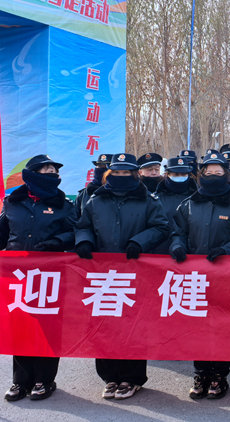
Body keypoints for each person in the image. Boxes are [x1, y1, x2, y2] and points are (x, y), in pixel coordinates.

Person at [74, 153, 171, 400]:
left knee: (133, 326)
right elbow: (83, 225)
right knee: (104, 325)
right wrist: (84, 241)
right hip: (102, 275)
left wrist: (140, 241)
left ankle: (132, 378)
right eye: (116, 172)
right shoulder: (96, 200)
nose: (121, 176)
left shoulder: (148, 200)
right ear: (109, 174)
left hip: (135, 273)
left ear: (135, 174)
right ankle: (110, 377)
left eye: (126, 172)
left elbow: (161, 227)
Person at [169, 152, 230, 400]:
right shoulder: (187, 205)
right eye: (209, 172)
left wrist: (227, 250)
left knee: (222, 326)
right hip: (195, 278)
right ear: (201, 174)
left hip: (225, 276)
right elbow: (178, 232)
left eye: (219, 173)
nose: (214, 176)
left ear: (226, 176)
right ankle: (200, 373)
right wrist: (177, 246)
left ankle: (219, 375)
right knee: (197, 327)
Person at [0, 155, 76, 402]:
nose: (52, 173)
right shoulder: (13, 202)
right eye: (47, 169)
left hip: (50, 276)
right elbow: (2, 233)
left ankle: (44, 380)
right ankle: (20, 381)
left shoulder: (63, 204)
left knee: (46, 328)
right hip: (18, 275)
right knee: (20, 328)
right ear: (32, 174)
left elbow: (76, 231)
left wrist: (57, 242)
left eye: (55, 170)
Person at [152, 157, 198, 254]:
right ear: (167, 174)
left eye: (183, 174)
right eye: (176, 174)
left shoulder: (198, 198)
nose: (180, 177)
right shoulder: (155, 199)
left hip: (190, 254)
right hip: (160, 253)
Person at [75, 153, 112, 220]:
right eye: (99, 166)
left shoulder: (120, 193)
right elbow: (76, 220)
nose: (101, 170)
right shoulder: (83, 194)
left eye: (106, 167)